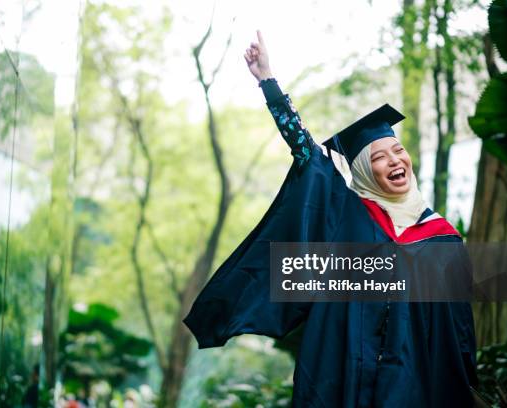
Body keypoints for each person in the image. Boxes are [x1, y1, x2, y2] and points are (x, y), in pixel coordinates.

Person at [183, 30, 478, 407]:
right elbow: (307, 155)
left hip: (413, 383)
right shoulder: (349, 215)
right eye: (379, 157)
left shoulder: (442, 239)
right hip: (342, 373)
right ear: (364, 172)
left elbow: (459, 331)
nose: (395, 161)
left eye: (398, 150)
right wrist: (269, 84)